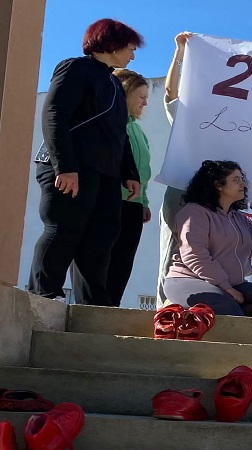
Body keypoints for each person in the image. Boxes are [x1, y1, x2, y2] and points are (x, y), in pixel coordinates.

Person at [28, 18, 144, 305]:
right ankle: (44, 295)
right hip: (70, 167)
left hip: (104, 173)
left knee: (102, 237)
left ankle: (94, 305)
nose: (132, 55)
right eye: (130, 48)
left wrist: (129, 173)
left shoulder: (115, 85)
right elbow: (54, 114)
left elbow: (120, 134)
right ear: (111, 43)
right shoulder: (75, 68)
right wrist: (65, 166)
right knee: (64, 228)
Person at [164, 160, 252, 318]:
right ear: (218, 185)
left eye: (242, 179)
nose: (243, 184)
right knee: (228, 307)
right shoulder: (194, 212)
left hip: (232, 285)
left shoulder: (240, 219)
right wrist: (226, 287)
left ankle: (232, 317)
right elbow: (194, 255)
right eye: (236, 180)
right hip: (187, 280)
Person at [71, 69, 151, 306]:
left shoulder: (137, 129)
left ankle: (111, 306)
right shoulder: (108, 124)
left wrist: (143, 202)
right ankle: (89, 305)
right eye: (141, 96)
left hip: (133, 204)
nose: (145, 102)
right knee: (97, 254)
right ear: (124, 93)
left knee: (123, 259)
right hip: (107, 198)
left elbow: (141, 170)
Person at [157, 31, 192, 306]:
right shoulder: (187, 114)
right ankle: (163, 309)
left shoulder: (240, 122)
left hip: (218, 199)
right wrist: (179, 52)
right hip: (181, 191)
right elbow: (171, 91)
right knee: (172, 250)